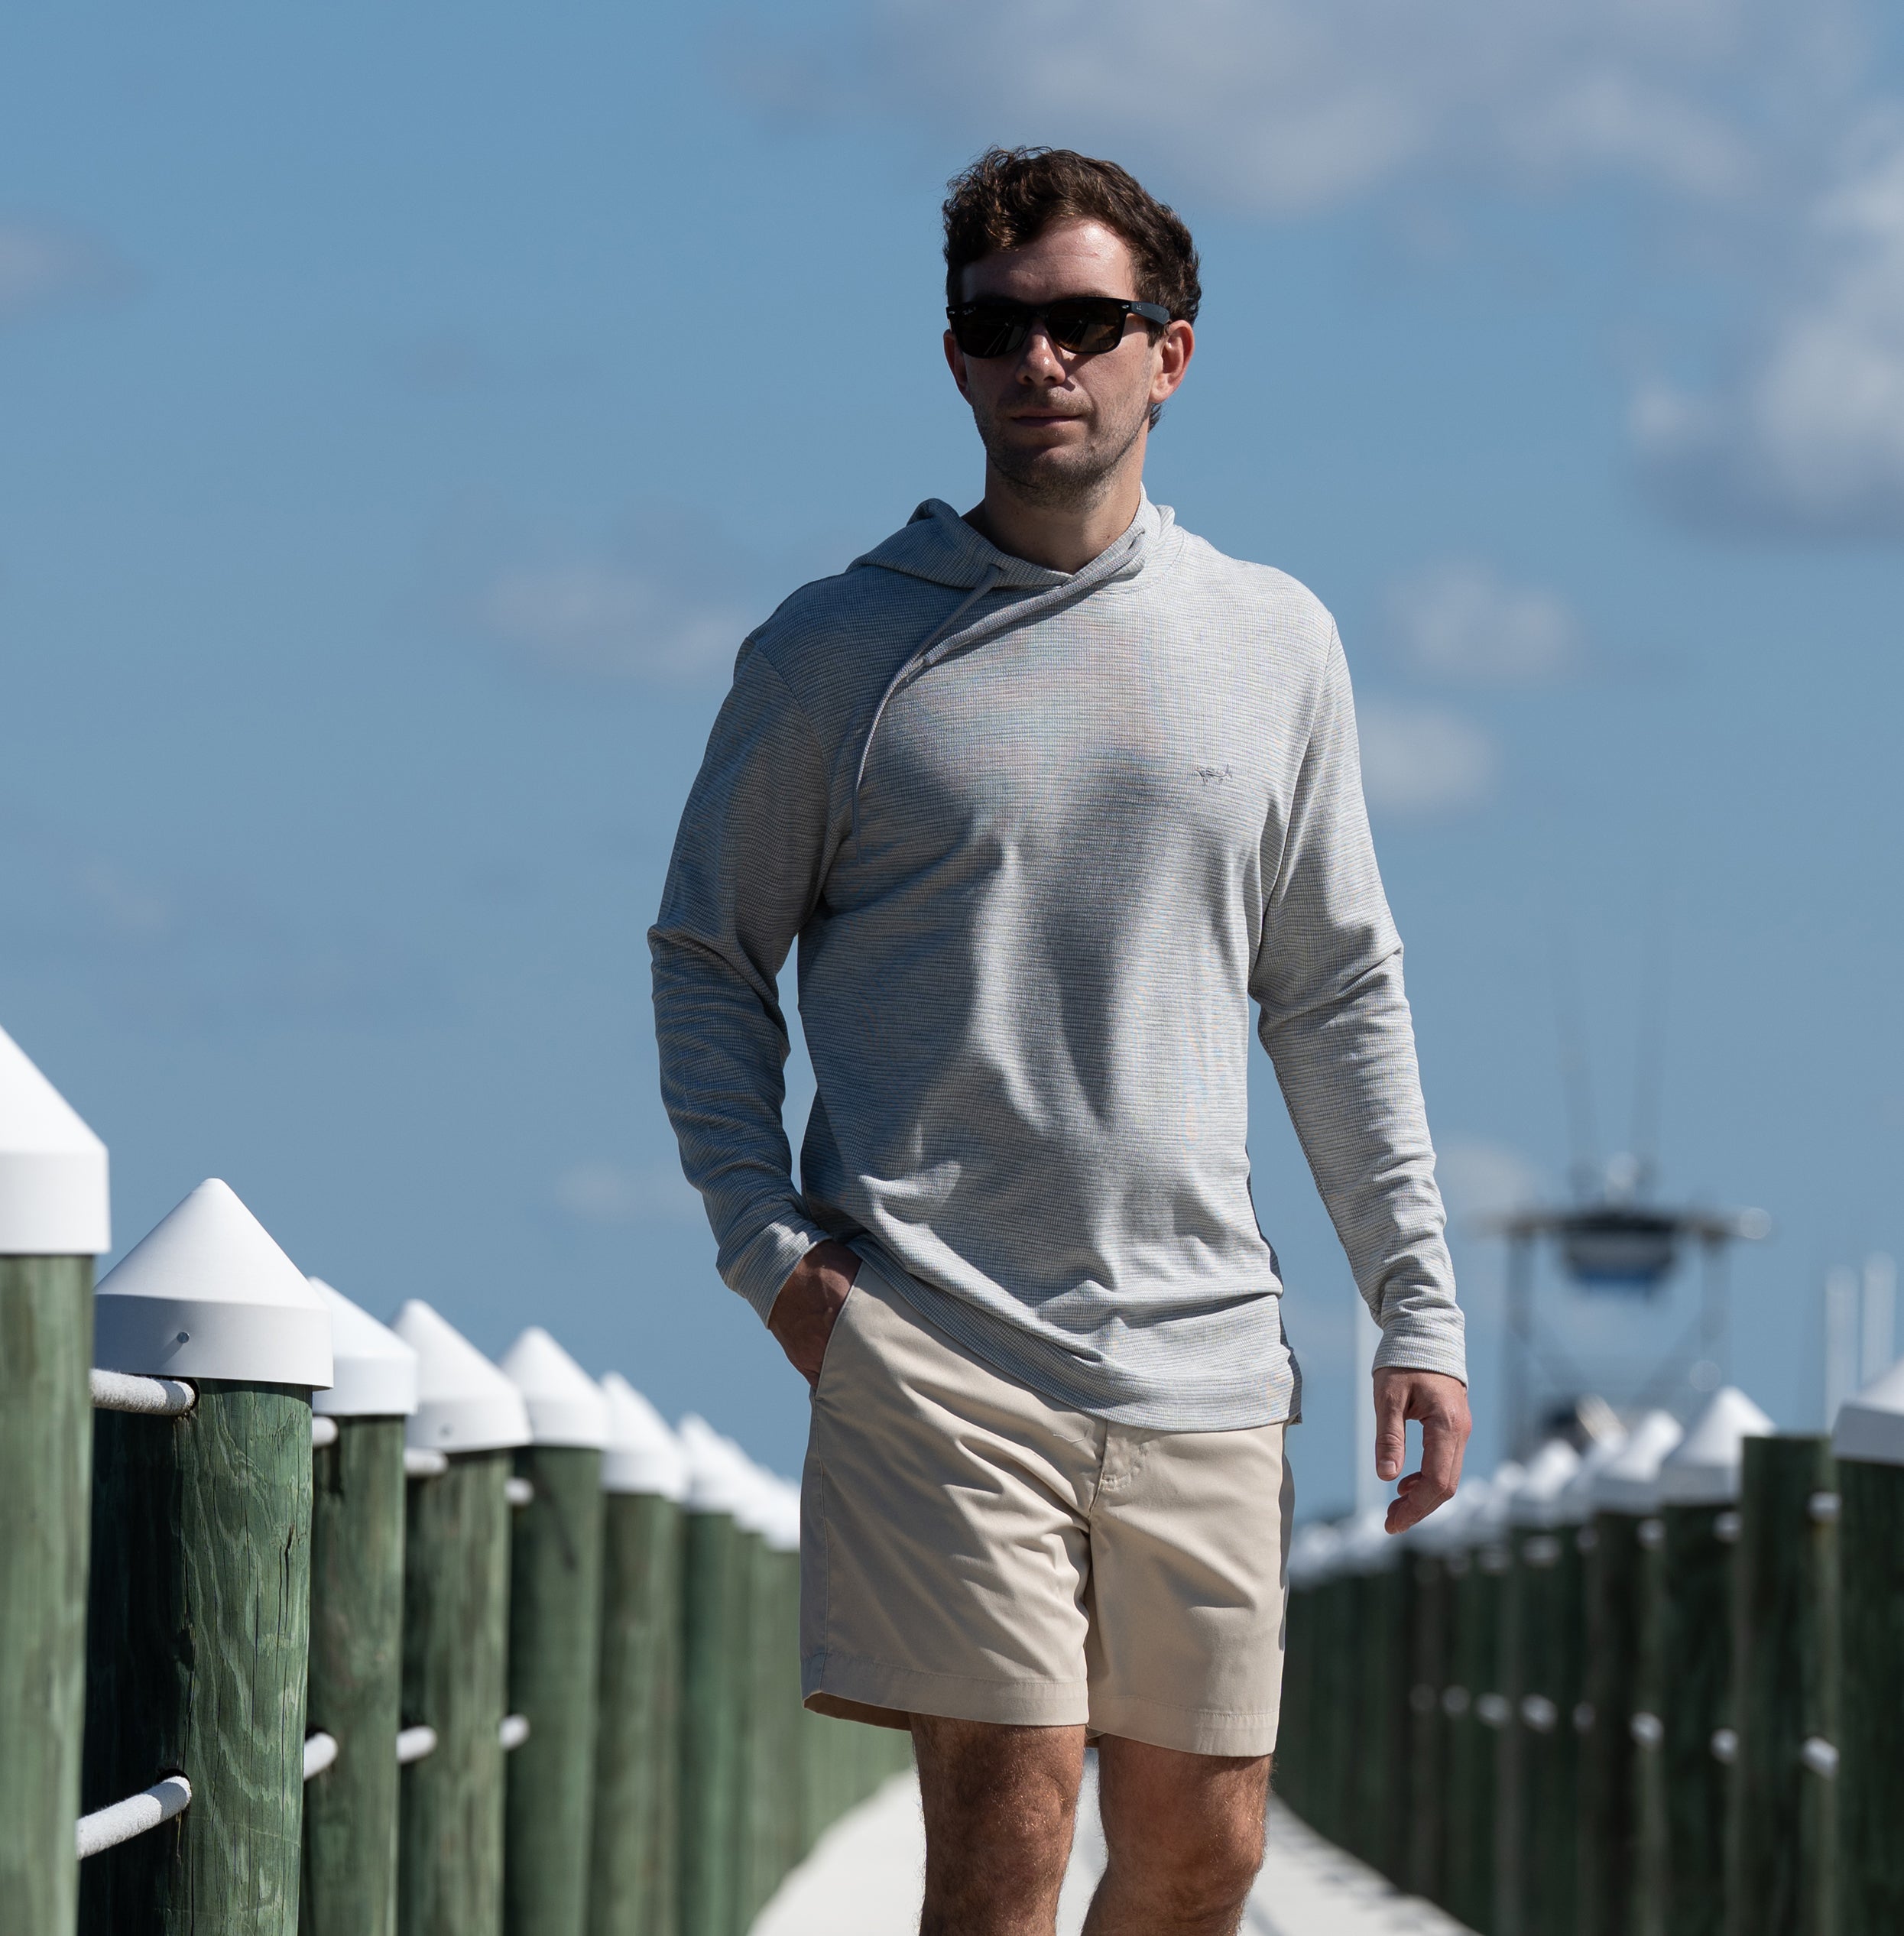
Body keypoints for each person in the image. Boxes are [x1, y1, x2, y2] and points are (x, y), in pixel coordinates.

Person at [651, 145, 1471, 1936]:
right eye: (998, 326)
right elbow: (709, 956)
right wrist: (771, 1254)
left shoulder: (1275, 643)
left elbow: (1334, 988)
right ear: (952, 355)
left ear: (1169, 354)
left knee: (1205, 1846)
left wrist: (1413, 1303)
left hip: (1205, 1347)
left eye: (1086, 324)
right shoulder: (834, 653)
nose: (1041, 360)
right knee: (1009, 1818)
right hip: (932, 1337)